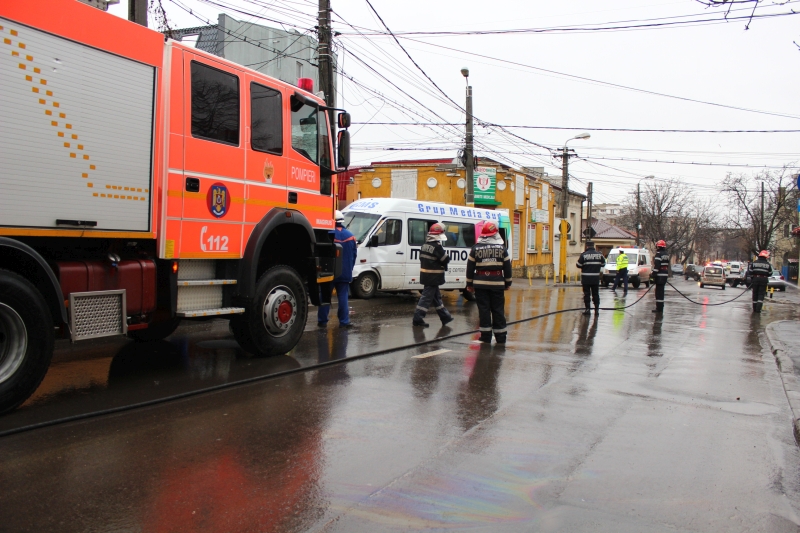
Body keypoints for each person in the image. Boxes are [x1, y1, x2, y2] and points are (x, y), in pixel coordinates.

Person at [466, 222, 512, 343]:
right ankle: (501, 337)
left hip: (480, 284)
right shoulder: (502, 249)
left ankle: (485, 337)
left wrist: (469, 284)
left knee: (484, 310)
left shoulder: (475, 248)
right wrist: (508, 283)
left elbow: (470, 268)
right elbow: (507, 268)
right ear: (495, 234)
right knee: (498, 310)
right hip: (497, 283)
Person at [318, 210, 358, 328]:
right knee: (343, 297)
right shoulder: (351, 237)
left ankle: (322, 320)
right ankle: (344, 321)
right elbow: (354, 255)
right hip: (344, 272)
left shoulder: (327, 235)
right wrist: (349, 269)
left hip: (328, 272)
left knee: (325, 296)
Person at [413, 223, 454, 328]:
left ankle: (445, 317)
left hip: (426, 275)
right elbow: (445, 259)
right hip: (433, 277)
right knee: (426, 298)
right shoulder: (437, 247)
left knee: (436, 298)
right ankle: (418, 318)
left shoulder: (424, 245)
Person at [576, 241, 606, 315]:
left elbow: (578, 265)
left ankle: (587, 310)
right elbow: (603, 264)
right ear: (593, 246)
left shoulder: (584, 255)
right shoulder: (599, 255)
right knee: (595, 294)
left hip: (586, 279)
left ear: (587, 246)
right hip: (595, 278)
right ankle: (596, 310)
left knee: (587, 294)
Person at [652, 239, 670, 314]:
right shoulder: (666, 254)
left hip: (659, 275)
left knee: (658, 292)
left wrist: (653, 274)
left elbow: (657, 265)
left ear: (658, 246)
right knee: (661, 291)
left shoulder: (658, 254)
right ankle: (660, 307)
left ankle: (658, 308)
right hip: (665, 274)